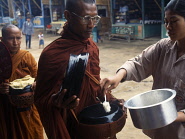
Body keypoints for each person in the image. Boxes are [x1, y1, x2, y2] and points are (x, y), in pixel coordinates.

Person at [100, 0, 185, 139]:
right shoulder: (163, 47)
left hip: (183, 135)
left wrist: (167, 115)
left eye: (174, 21)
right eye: (166, 22)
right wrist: (118, 77)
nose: (168, 27)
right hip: (159, 132)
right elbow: (138, 63)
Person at [34, 0, 125, 139]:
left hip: (96, 121)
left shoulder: (92, 47)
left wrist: (110, 99)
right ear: (68, 15)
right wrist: (55, 102)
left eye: (95, 18)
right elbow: (40, 98)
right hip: (72, 123)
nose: (91, 25)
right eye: (86, 18)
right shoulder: (52, 54)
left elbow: (94, 85)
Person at [0, 24, 43, 138]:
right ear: (2, 39)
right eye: (10, 38)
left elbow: (38, 77)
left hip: (26, 108)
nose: (15, 42)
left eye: (18, 38)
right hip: (5, 110)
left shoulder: (26, 56)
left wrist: (35, 84)